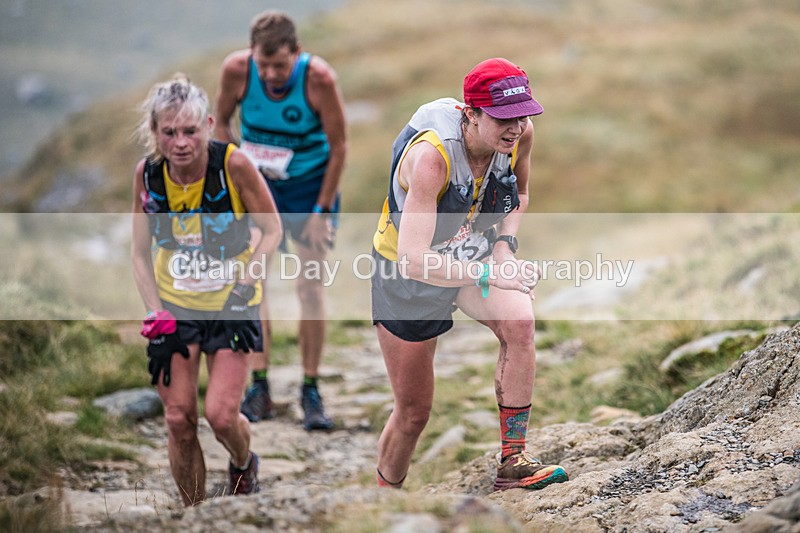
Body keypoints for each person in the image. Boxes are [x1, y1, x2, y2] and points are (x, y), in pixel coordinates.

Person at [370, 58, 570, 491]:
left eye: (522, 115)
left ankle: (512, 461)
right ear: (470, 113)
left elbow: (520, 193)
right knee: (413, 413)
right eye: (502, 117)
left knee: (520, 323)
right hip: (407, 271)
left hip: (471, 250)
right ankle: (383, 503)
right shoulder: (432, 158)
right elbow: (415, 260)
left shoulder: (520, 135)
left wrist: (503, 249)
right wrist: (490, 273)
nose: (515, 127)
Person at [131, 74, 282, 505]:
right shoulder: (148, 175)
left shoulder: (232, 164)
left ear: (209, 126)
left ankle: (241, 461)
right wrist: (153, 310)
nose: (180, 142)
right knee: (178, 418)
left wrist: (247, 282)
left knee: (219, 415)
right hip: (175, 309)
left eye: (191, 131)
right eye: (169, 132)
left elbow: (271, 230)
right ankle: (195, 513)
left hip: (232, 305)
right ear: (155, 132)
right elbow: (140, 253)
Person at [214, 10, 347, 430]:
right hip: (260, 188)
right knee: (253, 283)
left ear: (297, 53)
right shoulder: (236, 70)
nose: (270, 74)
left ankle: (310, 387)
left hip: (309, 190)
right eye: (263, 64)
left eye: (280, 65)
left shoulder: (319, 79)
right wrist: (234, 168)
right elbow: (218, 121)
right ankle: (259, 385)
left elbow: (340, 146)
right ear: (251, 55)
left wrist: (321, 211)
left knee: (308, 287)